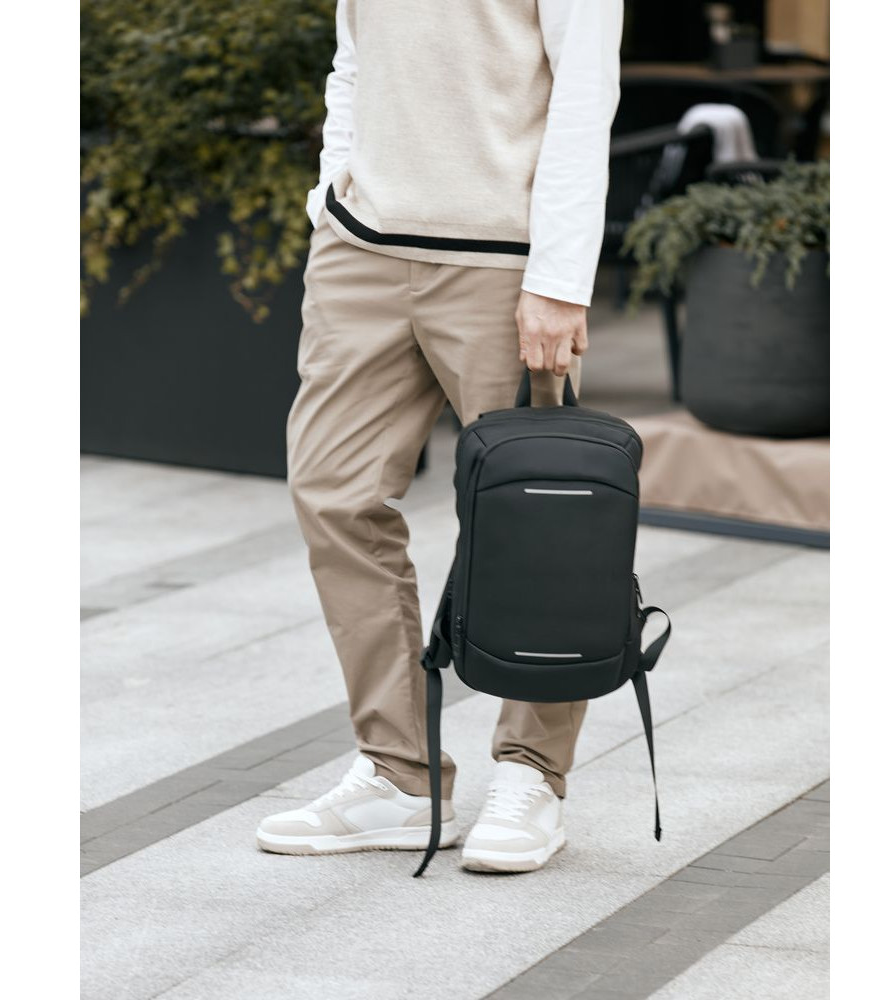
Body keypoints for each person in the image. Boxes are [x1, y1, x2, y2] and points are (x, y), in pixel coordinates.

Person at [257, 0, 624, 873]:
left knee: (539, 519)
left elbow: (585, 91)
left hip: (504, 263)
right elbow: (355, 56)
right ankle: (399, 772)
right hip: (362, 249)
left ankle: (532, 773)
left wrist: (560, 278)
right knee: (333, 494)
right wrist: (330, 193)